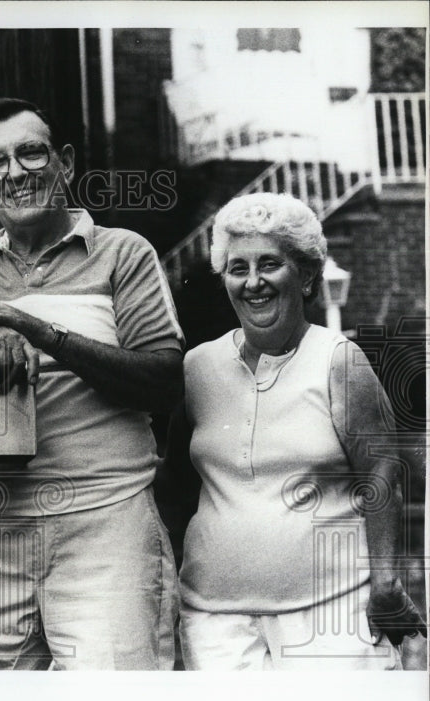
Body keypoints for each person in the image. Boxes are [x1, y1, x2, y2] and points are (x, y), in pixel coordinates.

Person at [0, 98, 184, 670]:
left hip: (105, 521)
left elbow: (165, 381)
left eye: (30, 153)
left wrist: (36, 329)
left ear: (63, 162)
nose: (14, 173)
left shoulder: (122, 253)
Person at [163, 192, 426, 670]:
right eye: (237, 268)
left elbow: (382, 470)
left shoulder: (338, 359)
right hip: (215, 621)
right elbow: (175, 483)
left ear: (306, 276)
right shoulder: (198, 366)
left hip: (331, 614)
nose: (253, 282)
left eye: (270, 264)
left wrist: (385, 581)